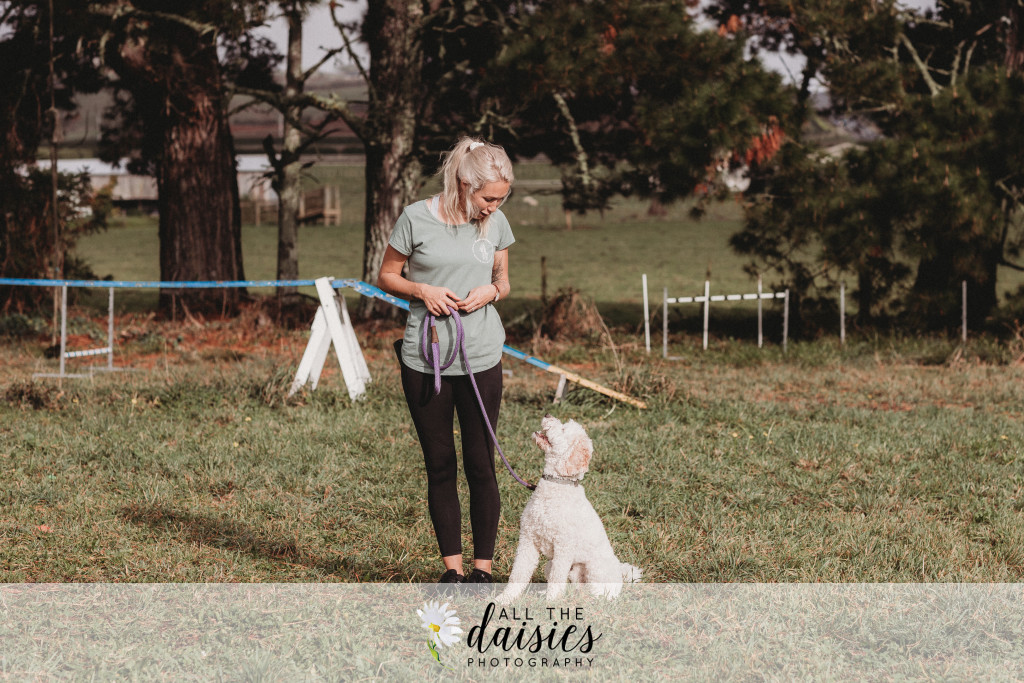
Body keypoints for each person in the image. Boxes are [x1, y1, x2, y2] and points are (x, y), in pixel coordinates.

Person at [377, 137, 515, 584]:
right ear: (465, 184)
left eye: (501, 199)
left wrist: (490, 292)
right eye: (488, 198)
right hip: (426, 358)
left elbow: (503, 282)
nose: (494, 207)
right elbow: (386, 275)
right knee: (439, 464)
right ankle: (451, 572)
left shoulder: (495, 224)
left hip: (481, 358)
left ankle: (482, 572)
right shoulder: (415, 218)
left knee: (481, 463)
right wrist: (422, 290)